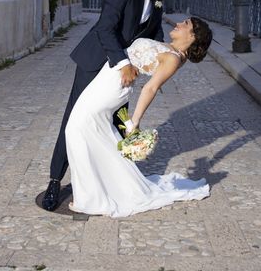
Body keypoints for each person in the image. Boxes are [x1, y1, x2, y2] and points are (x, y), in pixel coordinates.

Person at [41, 0, 190, 212]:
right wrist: (122, 63)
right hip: (98, 61)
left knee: (119, 124)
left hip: (122, 76)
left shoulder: (157, 3)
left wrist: (160, 70)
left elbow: (154, 37)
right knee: (73, 121)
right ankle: (55, 181)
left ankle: (116, 180)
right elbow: (104, 28)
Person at [65, 17, 213, 217]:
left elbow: (151, 88)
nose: (178, 23)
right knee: (95, 133)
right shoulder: (168, 48)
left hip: (113, 86)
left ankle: (90, 198)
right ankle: (104, 187)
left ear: (193, 36)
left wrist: (134, 121)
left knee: (74, 129)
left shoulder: (173, 58)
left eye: (185, 24)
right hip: (108, 77)